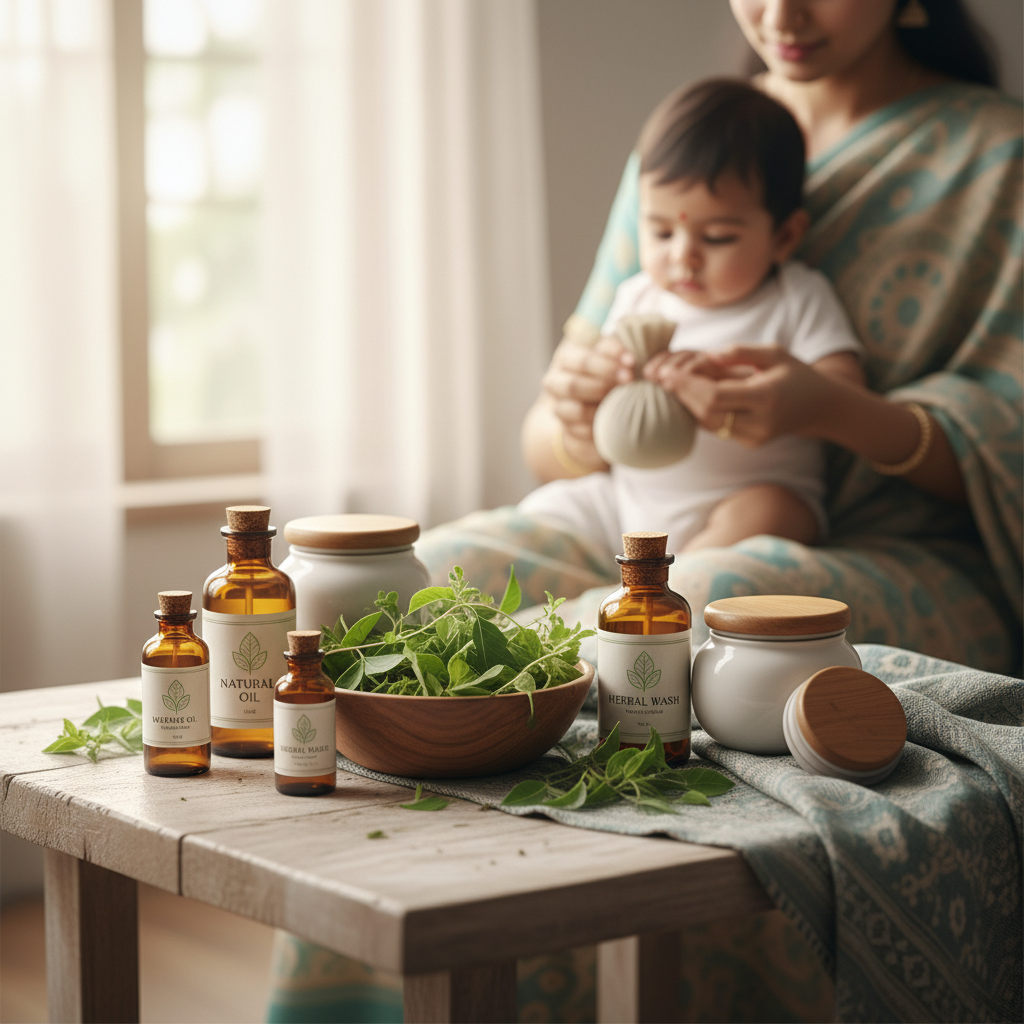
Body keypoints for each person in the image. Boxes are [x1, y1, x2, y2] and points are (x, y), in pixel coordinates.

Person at [267, 2, 1022, 1021]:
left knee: (687, 612)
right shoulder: (682, 139)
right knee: (422, 581)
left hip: (883, 542)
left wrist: (823, 407)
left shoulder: (994, 157)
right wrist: (576, 408)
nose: (780, 14)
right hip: (626, 504)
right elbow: (552, 442)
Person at [519, 78, 866, 555]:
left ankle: (674, 592)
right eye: (661, 233)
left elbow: (844, 390)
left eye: (718, 237)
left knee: (772, 511)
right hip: (627, 501)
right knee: (543, 511)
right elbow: (588, 390)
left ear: (785, 237)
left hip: (738, 502)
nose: (684, 258)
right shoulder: (638, 295)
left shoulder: (795, 298)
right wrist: (598, 386)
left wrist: (761, 389)